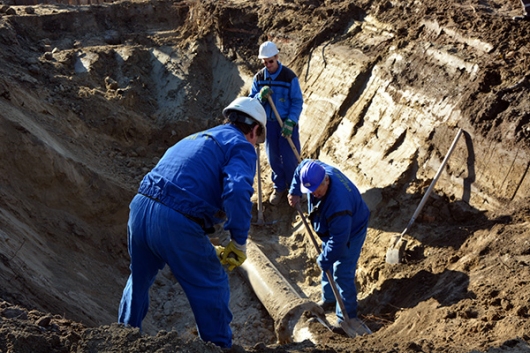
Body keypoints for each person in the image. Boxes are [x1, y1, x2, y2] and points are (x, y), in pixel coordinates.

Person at [117, 97, 267, 349]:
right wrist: (239, 242)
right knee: (212, 284)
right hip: (175, 221)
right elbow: (238, 190)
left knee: (139, 278)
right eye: (256, 138)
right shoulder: (240, 145)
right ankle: (217, 347)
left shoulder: (199, 137)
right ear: (254, 130)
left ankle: (121, 339)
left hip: (141, 209)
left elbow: (184, 186)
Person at [288, 159, 370, 332]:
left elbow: (338, 242)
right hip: (332, 227)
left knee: (342, 271)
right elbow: (300, 168)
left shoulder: (339, 205)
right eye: (310, 191)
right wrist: (295, 192)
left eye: (317, 190)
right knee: (328, 261)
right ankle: (330, 298)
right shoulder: (312, 171)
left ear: (326, 180)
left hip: (351, 231)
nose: (314, 194)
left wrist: (325, 259)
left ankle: (346, 316)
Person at [249, 40, 304, 205]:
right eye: (265, 62)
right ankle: (279, 187)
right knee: (273, 158)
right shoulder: (259, 78)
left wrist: (291, 122)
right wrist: (260, 97)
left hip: (286, 123)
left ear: (277, 57)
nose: (268, 65)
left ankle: (295, 190)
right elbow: (252, 100)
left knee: (289, 158)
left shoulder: (289, 76)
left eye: (270, 61)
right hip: (269, 124)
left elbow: (297, 101)